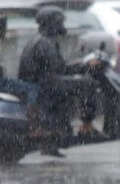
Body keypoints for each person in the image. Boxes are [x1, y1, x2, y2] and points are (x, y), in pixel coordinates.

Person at [18, 6, 103, 157]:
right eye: (60, 22)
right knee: (88, 84)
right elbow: (60, 70)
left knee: (76, 85)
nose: (63, 26)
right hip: (44, 85)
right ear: (52, 23)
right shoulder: (45, 43)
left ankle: (52, 142)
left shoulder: (39, 40)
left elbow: (58, 68)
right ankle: (87, 126)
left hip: (40, 83)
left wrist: (81, 65)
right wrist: (84, 67)